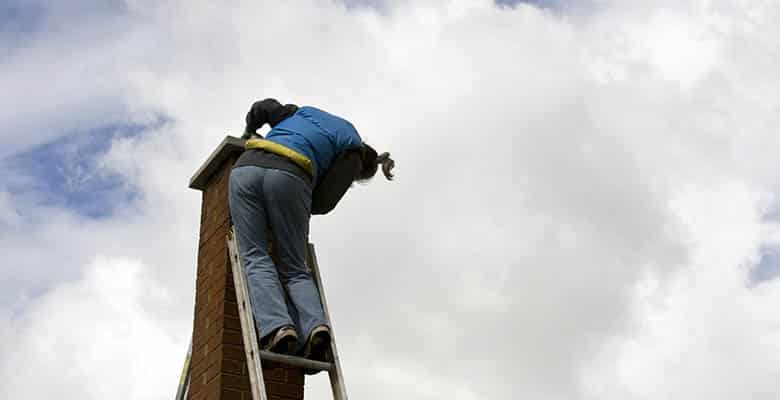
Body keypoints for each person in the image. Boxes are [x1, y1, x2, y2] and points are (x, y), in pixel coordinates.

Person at [228, 98, 395, 364]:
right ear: (362, 169)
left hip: (247, 167)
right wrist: (294, 204)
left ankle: (276, 328)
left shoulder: (305, 114)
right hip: (291, 177)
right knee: (294, 267)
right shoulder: (353, 152)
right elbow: (323, 202)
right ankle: (313, 327)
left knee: (254, 256)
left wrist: (249, 130)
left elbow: (264, 107)